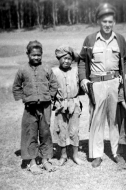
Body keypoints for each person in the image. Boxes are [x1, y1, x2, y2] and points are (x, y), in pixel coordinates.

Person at [78, 3, 126, 168]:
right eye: (104, 21)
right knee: (96, 120)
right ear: (99, 21)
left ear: (114, 22)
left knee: (115, 120)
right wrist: (83, 79)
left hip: (115, 83)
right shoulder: (90, 39)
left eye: (110, 22)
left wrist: (125, 74)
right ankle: (97, 154)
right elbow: (81, 61)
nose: (107, 25)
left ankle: (117, 153)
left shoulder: (119, 39)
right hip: (97, 84)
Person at [12, 40, 58, 174]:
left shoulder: (47, 68)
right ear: (28, 54)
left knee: (45, 132)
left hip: (45, 106)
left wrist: (50, 97)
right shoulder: (22, 70)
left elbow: (54, 84)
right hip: (30, 108)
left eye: (39, 55)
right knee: (30, 133)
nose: (36, 57)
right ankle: (32, 162)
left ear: (42, 54)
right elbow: (16, 87)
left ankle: (45, 160)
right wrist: (24, 98)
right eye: (33, 55)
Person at [52, 45, 84, 166]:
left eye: (69, 58)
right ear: (58, 59)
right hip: (60, 104)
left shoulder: (76, 70)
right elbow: (51, 89)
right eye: (63, 58)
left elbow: (80, 86)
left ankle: (75, 156)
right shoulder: (54, 71)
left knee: (74, 130)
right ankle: (63, 155)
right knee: (61, 130)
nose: (66, 61)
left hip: (74, 103)